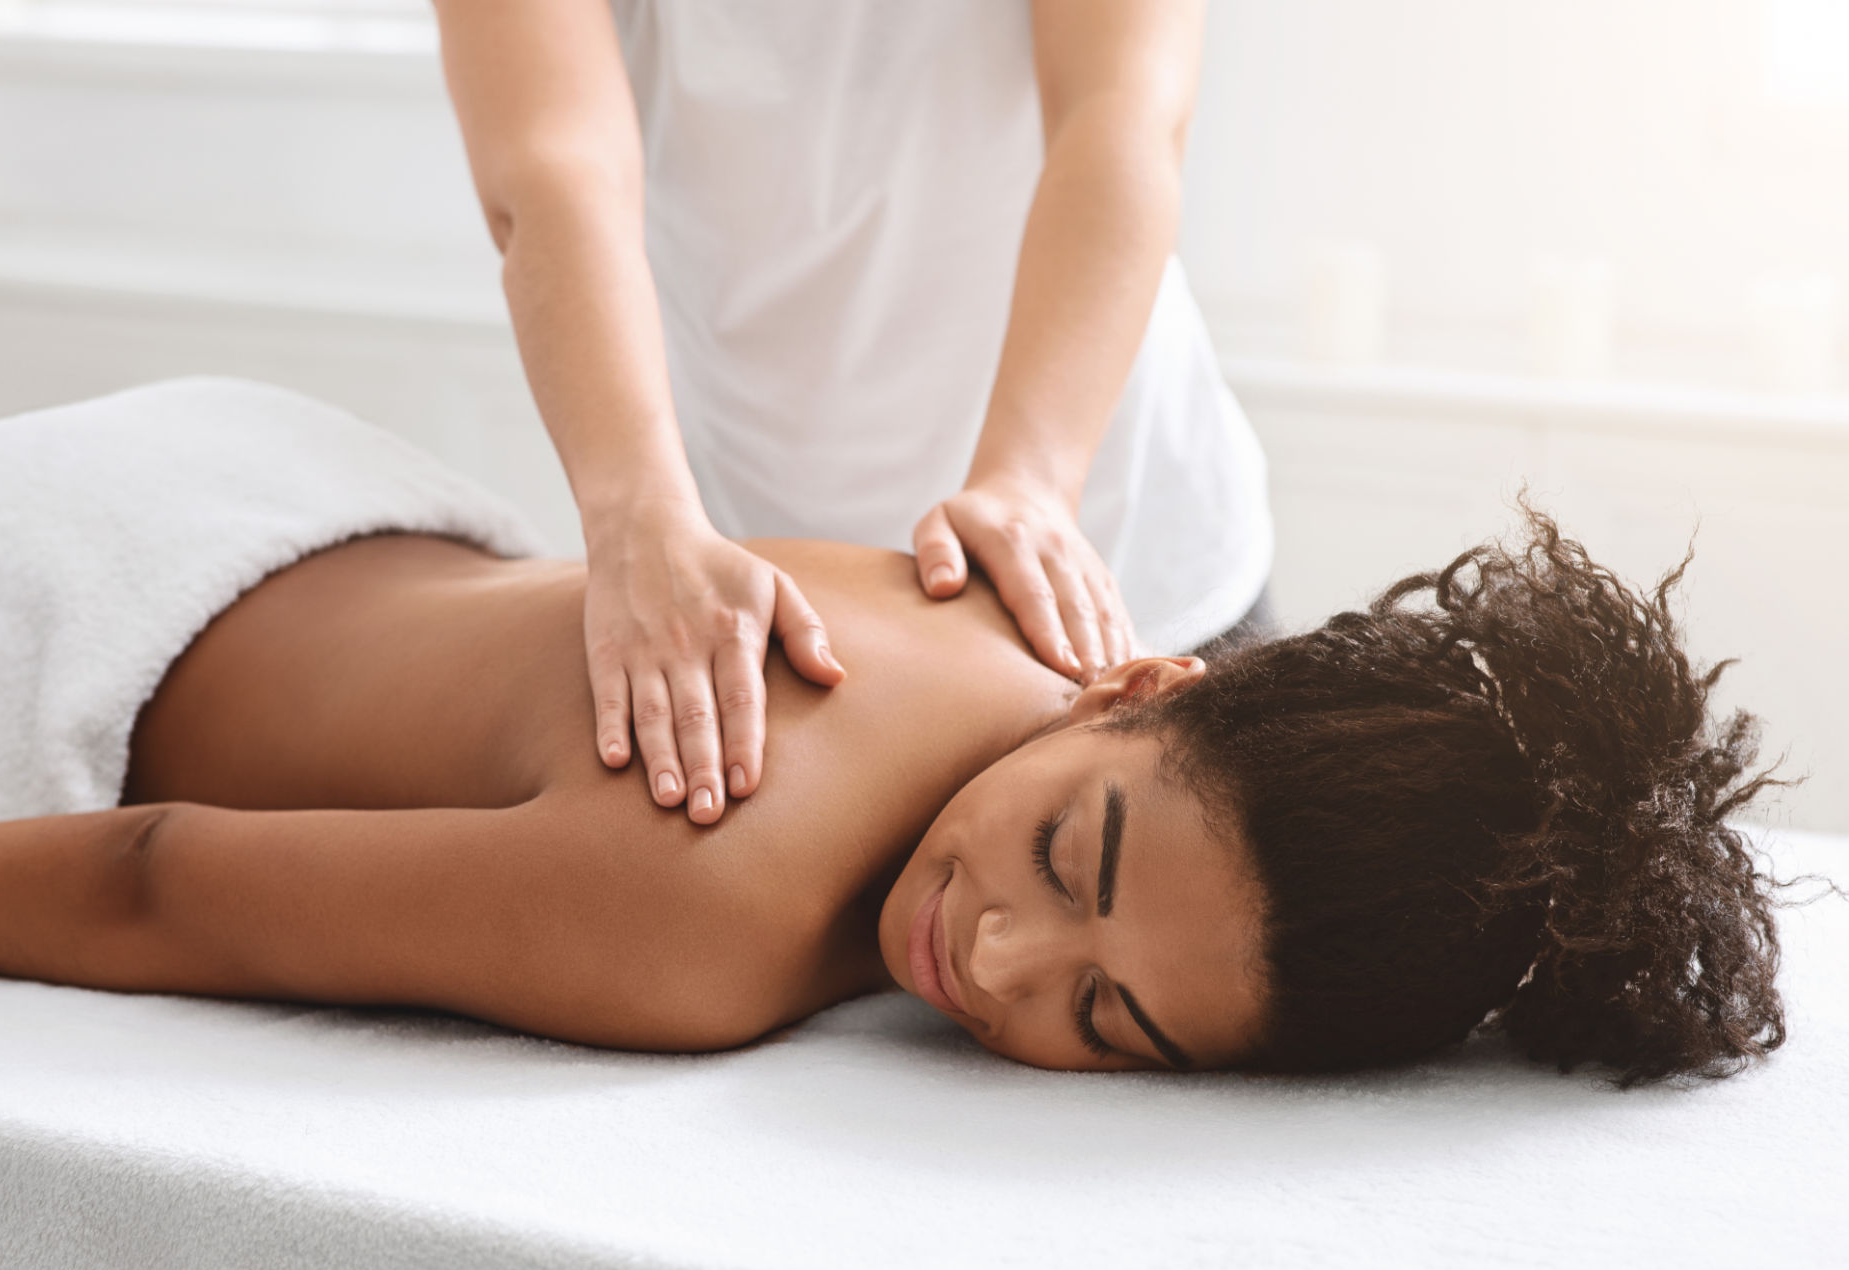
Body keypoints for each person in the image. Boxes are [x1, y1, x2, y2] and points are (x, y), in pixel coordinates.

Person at [0, 384, 1780, 1083]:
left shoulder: (1002, 608)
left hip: (291, 477)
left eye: (1106, 1019)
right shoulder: (699, 912)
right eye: (1067, 855)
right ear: (1149, 675)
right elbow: (154, 876)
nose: (994, 958)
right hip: (59, 603)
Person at [433, 0, 1273, 826]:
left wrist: (1033, 478)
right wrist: (634, 514)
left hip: (1119, 552)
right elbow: (553, 168)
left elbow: (1122, 114)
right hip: (774, 611)